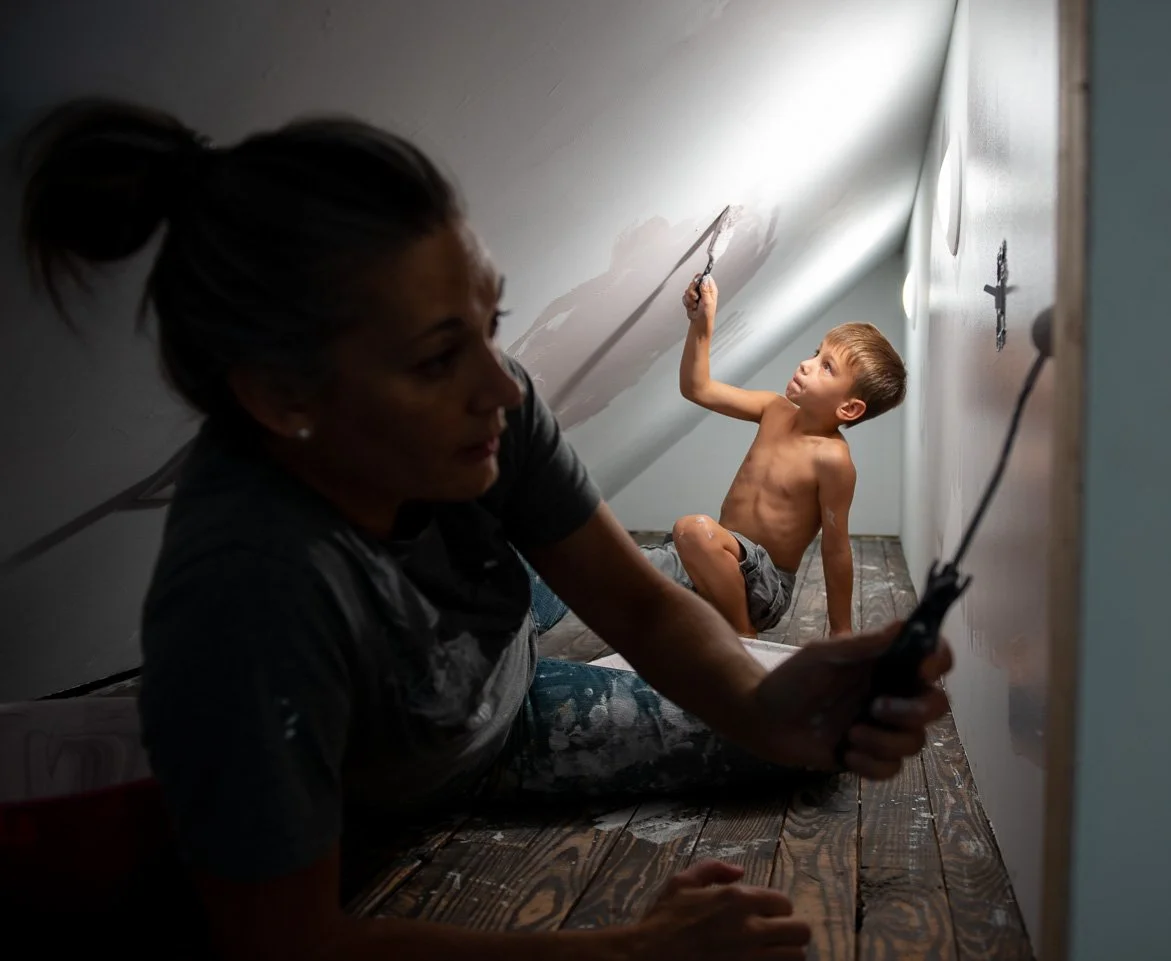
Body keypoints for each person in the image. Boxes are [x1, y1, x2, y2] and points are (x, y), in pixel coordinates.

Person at [16, 99, 952, 960]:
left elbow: (635, 604)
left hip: (500, 647)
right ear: (280, 395)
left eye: (488, 320)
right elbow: (285, 941)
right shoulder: (247, 592)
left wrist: (770, 703)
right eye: (436, 357)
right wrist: (628, 950)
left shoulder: (492, 408)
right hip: (471, 746)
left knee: (797, 738)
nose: (504, 385)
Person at [642, 275, 907, 638]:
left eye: (827, 366)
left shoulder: (832, 459)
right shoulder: (773, 408)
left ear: (848, 408)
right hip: (712, 560)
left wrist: (841, 631)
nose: (806, 364)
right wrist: (701, 323)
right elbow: (697, 388)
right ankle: (705, 615)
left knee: (692, 529)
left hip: (763, 587)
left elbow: (836, 549)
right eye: (816, 353)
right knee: (616, 564)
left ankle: (743, 637)